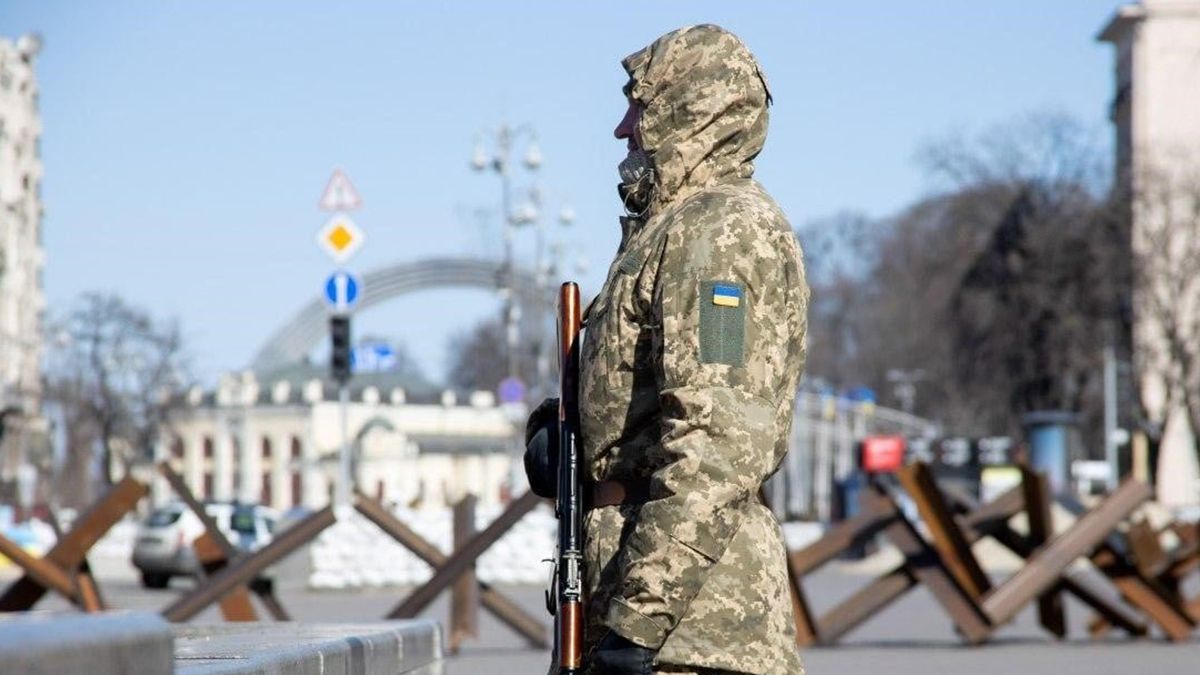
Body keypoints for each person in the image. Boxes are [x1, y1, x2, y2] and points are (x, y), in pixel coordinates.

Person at [526, 24, 809, 675]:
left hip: (689, 637)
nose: (623, 128)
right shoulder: (670, 230)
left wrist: (637, 626)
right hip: (644, 612)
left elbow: (717, 439)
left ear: (691, 107)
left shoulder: (720, 231)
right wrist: (571, 443)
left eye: (640, 106)